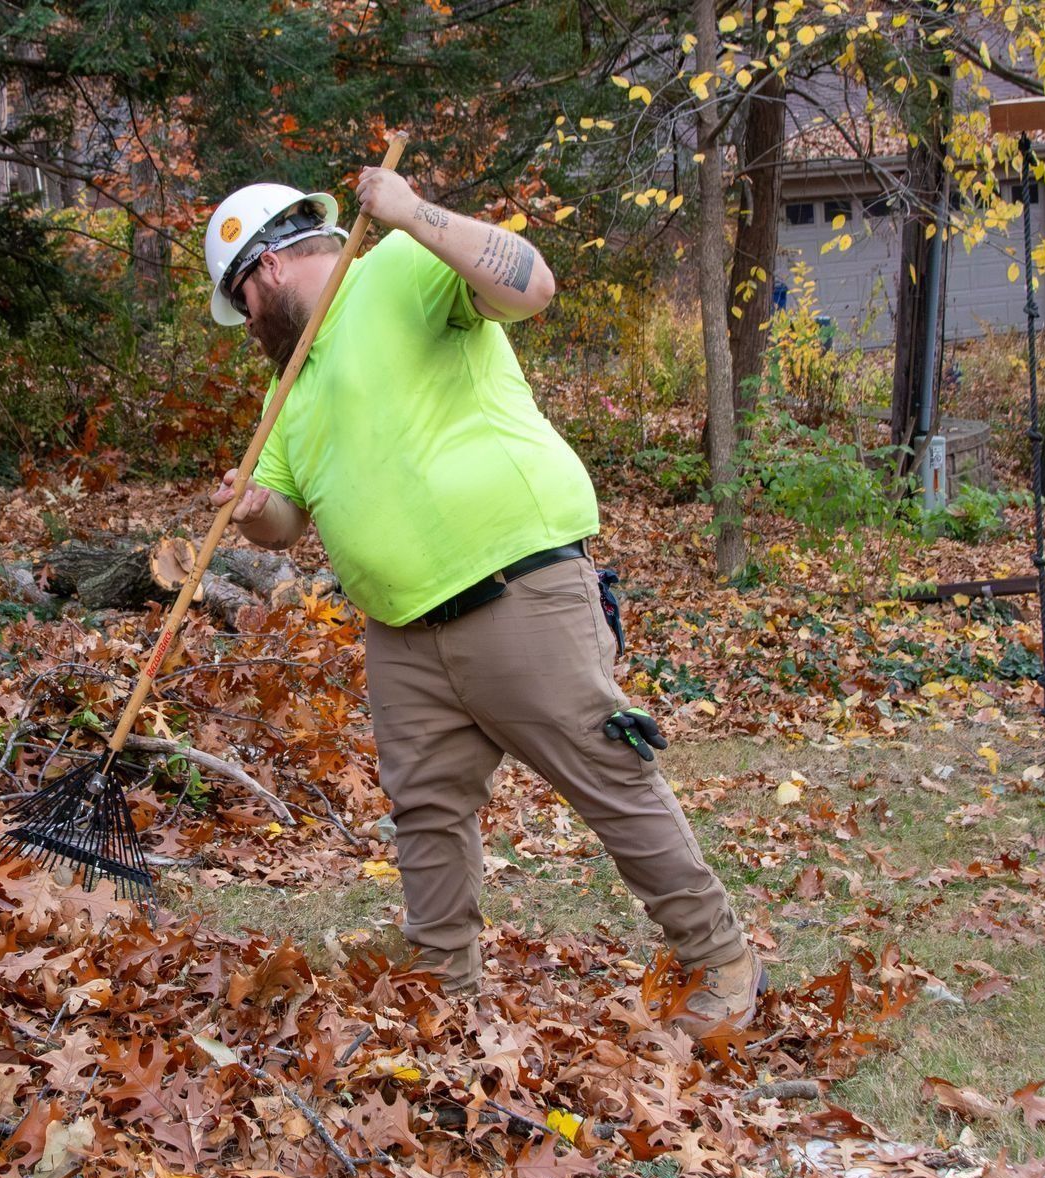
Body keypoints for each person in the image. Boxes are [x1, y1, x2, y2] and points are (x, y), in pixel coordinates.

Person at [200, 170, 760, 1035]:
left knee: (609, 777)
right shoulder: (292, 386)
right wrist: (251, 508)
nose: (247, 333)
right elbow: (284, 523)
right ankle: (444, 997)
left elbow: (532, 285)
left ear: (264, 273)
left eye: (241, 305)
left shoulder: (396, 267)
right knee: (426, 815)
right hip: (400, 631)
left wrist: (414, 213)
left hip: (516, 587)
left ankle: (721, 958)